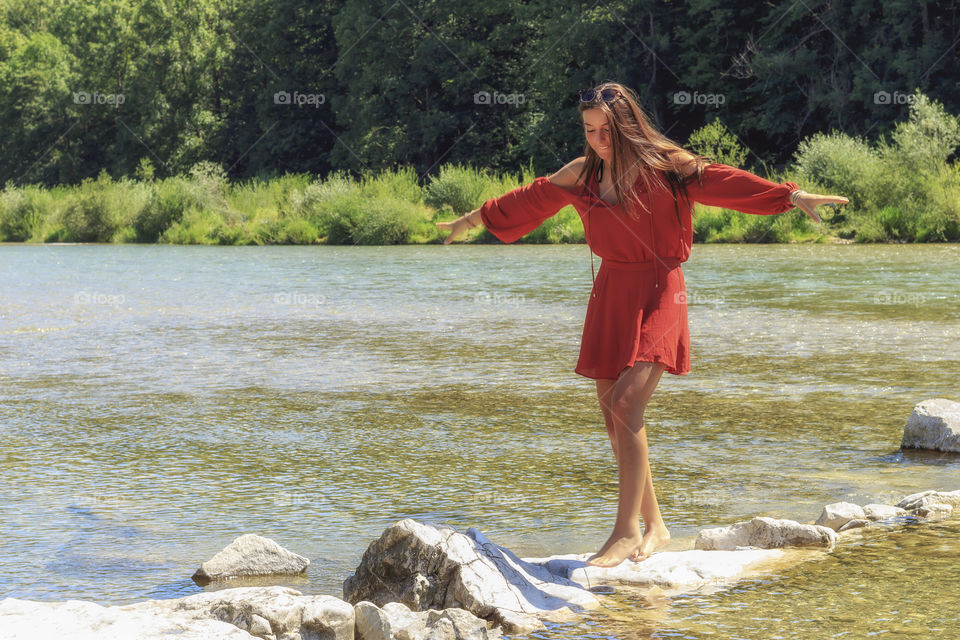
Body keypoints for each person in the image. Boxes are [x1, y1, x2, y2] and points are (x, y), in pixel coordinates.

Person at [435, 81, 849, 568]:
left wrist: (790, 195)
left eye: (606, 130)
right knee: (614, 418)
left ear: (627, 124)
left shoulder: (666, 165)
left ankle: (626, 531)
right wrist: (469, 220)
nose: (597, 140)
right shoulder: (582, 174)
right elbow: (527, 201)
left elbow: (722, 180)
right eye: (589, 130)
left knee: (627, 403)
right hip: (611, 294)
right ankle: (657, 526)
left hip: (660, 291)